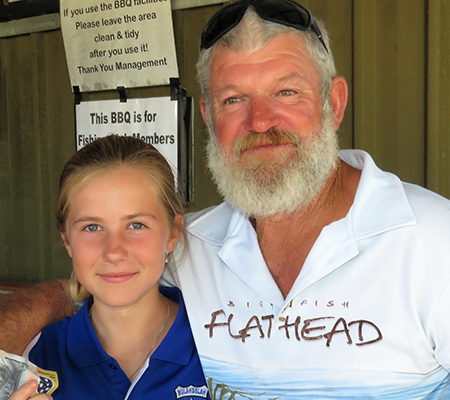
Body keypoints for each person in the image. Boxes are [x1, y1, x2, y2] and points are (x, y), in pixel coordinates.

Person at [1, 1, 449, 398]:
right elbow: (104, 279)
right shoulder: (192, 247)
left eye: (286, 92)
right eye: (233, 99)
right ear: (208, 116)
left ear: (334, 101)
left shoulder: (434, 241)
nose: (260, 121)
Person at [7, 135, 210, 399]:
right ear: (67, 239)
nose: (114, 251)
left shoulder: (218, 345)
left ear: (173, 233)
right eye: (92, 227)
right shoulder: (32, 357)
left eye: (136, 225)